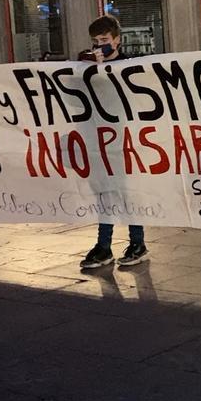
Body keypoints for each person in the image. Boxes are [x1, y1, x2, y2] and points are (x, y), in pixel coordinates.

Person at [78, 16, 149, 269]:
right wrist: (89, 69)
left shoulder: (127, 66)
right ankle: (105, 245)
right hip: (98, 136)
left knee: (125, 190)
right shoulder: (86, 64)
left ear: (117, 40)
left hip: (123, 136)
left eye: (104, 40)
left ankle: (135, 242)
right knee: (104, 190)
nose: (99, 45)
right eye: (95, 41)